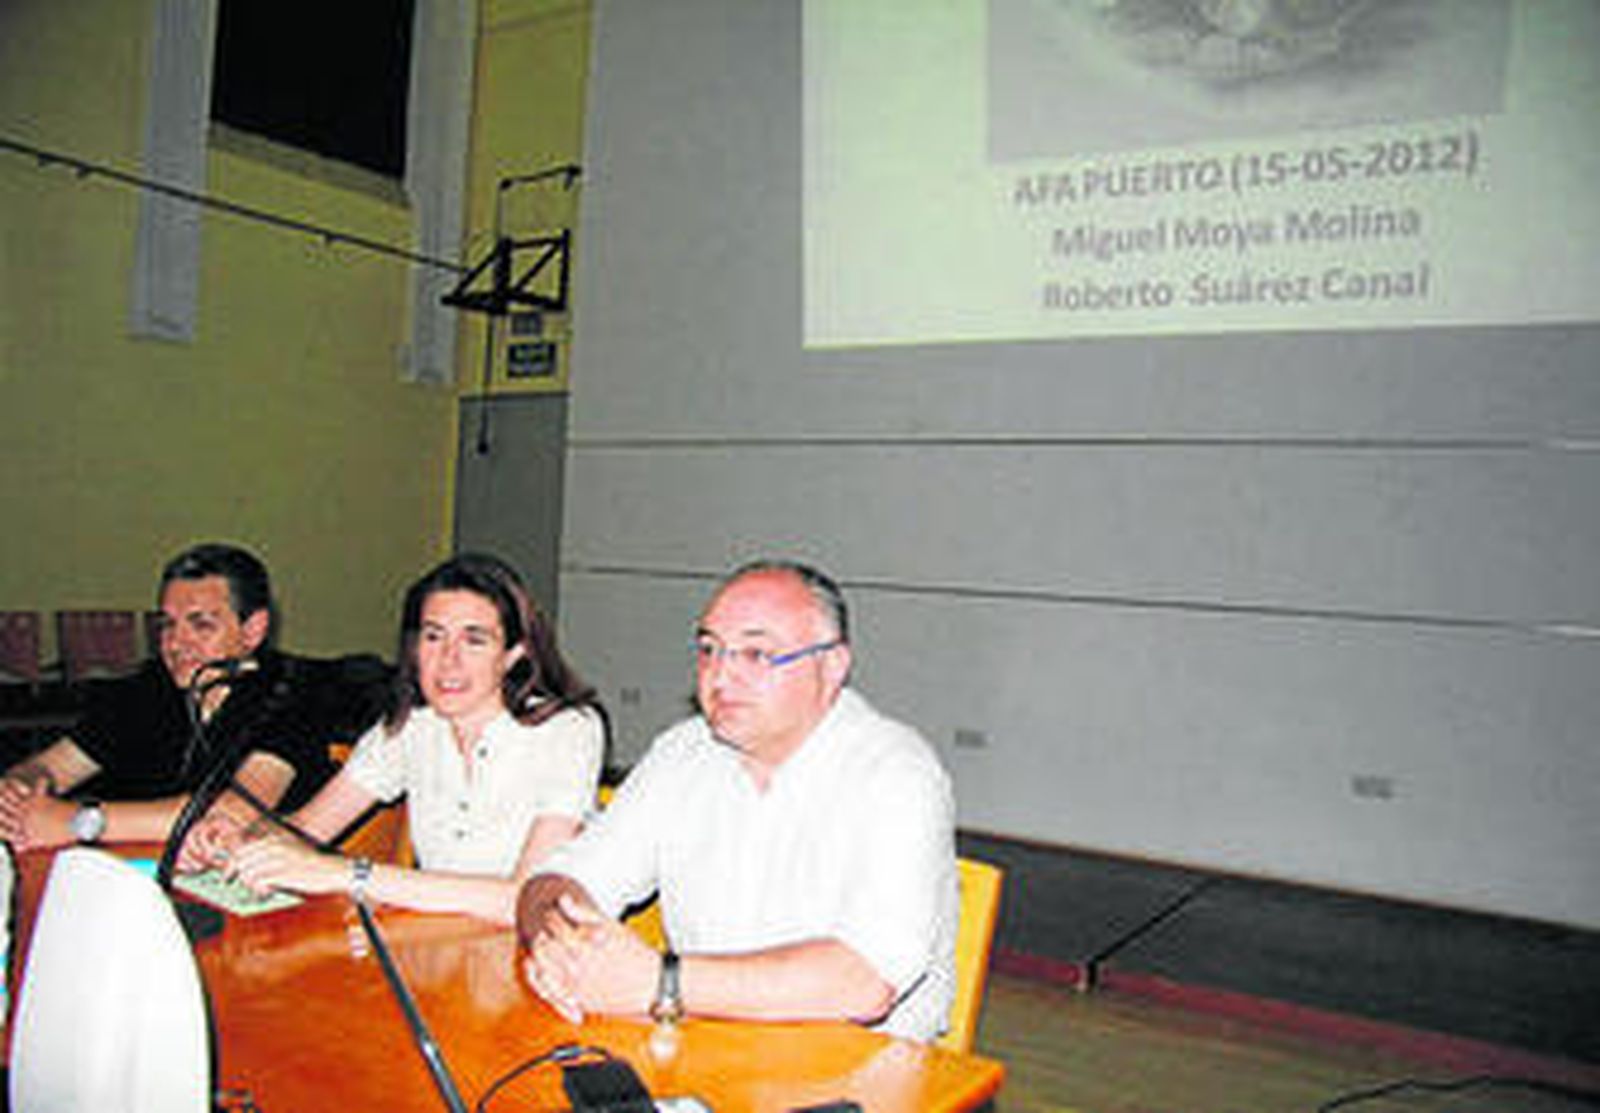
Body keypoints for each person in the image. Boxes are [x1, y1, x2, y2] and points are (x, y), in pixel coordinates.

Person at [517, 559, 958, 1041]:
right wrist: (564, 948)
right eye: (710, 650)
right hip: (702, 1046)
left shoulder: (896, 771)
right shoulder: (682, 753)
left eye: (756, 654)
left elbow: (864, 982)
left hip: (859, 1072)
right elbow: (558, 881)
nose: (721, 677)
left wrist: (660, 982)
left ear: (832, 666)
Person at [226, 553, 605, 925]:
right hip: (436, 946)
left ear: (512, 656)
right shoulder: (414, 725)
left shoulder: (567, 730)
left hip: (535, 955)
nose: (448, 660)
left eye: (474, 641)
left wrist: (347, 874)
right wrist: (241, 841)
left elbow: (522, 898)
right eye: (434, 636)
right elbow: (307, 828)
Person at [0, 543, 349, 867]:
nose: (176, 643)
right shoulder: (146, 688)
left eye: (201, 625)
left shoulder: (294, 693)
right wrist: (18, 794)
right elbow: (50, 767)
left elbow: (234, 813)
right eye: (167, 625)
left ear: (253, 630)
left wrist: (81, 822)